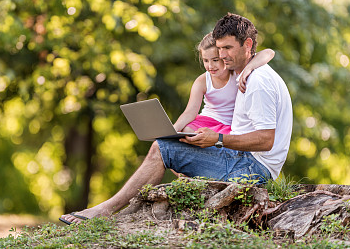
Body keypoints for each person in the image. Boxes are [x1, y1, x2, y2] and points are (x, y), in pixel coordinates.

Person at [60, 13, 293, 224]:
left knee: (163, 149)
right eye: (219, 49)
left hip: (253, 169)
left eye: (228, 48)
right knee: (172, 142)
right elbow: (263, 55)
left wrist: (218, 139)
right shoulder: (247, 72)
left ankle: (105, 210)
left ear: (248, 44)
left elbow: (266, 140)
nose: (222, 55)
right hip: (243, 159)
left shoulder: (258, 82)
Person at [174, 32, 275, 135]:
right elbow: (190, 112)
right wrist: (173, 129)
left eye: (215, 60)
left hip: (230, 126)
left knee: (225, 139)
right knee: (187, 131)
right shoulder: (202, 81)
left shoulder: (237, 73)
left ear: (224, 56)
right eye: (206, 61)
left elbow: (269, 52)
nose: (210, 66)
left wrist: (249, 67)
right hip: (206, 121)